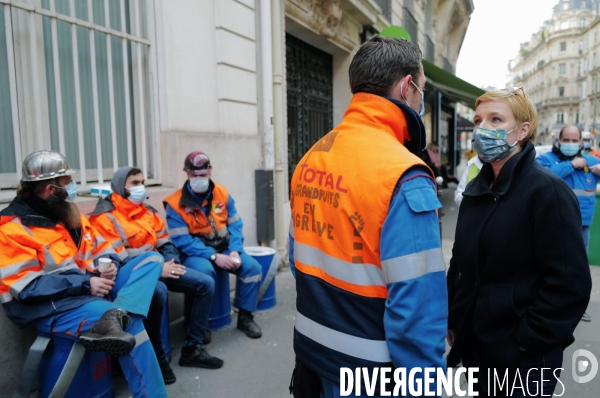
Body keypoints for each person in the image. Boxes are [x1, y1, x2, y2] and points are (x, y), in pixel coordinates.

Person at [288, 36, 447, 397]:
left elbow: (299, 254)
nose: (420, 98)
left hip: (311, 355)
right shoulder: (404, 174)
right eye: (421, 89)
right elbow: (417, 310)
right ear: (407, 87)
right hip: (369, 374)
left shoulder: (313, 156)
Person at [447, 89, 592, 397]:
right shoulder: (476, 189)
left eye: (495, 118)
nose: (482, 128)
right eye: (477, 120)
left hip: (523, 361)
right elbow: (460, 263)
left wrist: (528, 339)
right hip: (476, 350)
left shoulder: (547, 191)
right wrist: (455, 318)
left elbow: (570, 284)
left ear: (523, 129)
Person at [0, 150, 167, 397]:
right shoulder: (11, 229)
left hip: (89, 290)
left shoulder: (69, 215)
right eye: (67, 183)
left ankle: (116, 314)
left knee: (152, 259)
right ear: (50, 189)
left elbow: (103, 249)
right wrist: (87, 284)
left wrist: (109, 265)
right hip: (52, 306)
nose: (73, 188)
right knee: (131, 325)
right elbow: (27, 288)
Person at [89, 166, 223, 384]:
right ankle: (159, 357)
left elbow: (166, 242)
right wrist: (157, 270)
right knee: (157, 291)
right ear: (120, 186)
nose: (141, 187)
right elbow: (118, 259)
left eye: (142, 181)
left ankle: (192, 349)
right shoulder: (105, 217)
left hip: (162, 267)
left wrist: (171, 263)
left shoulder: (147, 211)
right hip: (132, 276)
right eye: (134, 183)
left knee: (205, 283)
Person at [164, 152, 263, 339]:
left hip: (224, 246)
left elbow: (235, 224)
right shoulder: (175, 203)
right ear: (187, 174)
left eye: (203, 175)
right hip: (195, 253)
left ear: (210, 172)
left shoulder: (222, 193)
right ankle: (199, 324)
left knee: (253, 269)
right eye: (195, 175)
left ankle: (245, 317)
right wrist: (214, 256)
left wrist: (234, 249)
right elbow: (182, 241)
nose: (199, 179)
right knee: (204, 274)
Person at [537, 125, 599, 323]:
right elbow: (541, 179)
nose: (571, 144)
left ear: (582, 143)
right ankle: (545, 307)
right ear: (559, 140)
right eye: (567, 140)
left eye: (575, 141)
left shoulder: (592, 161)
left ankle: (576, 309)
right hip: (552, 223)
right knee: (548, 266)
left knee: (578, 269)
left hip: (582, 225)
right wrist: (572, 164)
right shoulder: (545, 160)